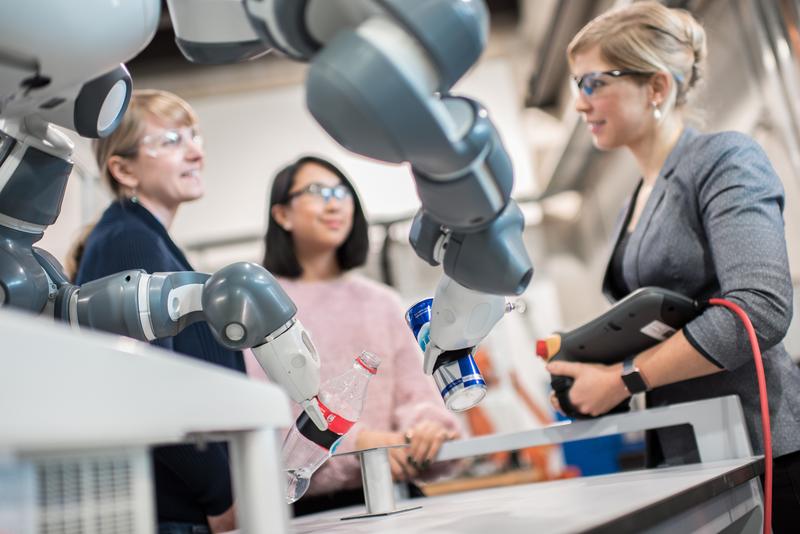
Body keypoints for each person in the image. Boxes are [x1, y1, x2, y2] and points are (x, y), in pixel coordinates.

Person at [545, 2, 800, 531]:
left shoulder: (724, 159)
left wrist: (621, 379)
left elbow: (758, 311)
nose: (577, 102)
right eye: (576, 84)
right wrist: (588, 365)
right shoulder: (633, 201)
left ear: (656, 87)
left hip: (761, 446)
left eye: (593, 83)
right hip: (687, 448)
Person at [250, 155, 462, 515]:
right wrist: (359, 444)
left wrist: (425, 428)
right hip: (307, 510)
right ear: (282, 214)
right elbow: (269, 418)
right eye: (317, 191)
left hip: (396, 499)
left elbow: (417, 394)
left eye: (342, 192)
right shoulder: (260, 307)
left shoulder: (382, 302)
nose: (334, 202)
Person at [75, 89, 240, 534]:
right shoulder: (129, 241)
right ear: (124, 168)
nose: (195, 151)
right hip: (175, 515)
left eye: (194, 136)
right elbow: (142, 384)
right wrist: (221, 495)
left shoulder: (150, 241)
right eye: (170, 141)